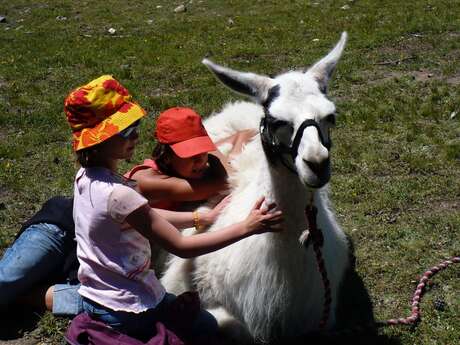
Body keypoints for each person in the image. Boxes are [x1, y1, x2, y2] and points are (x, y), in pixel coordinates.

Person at [64, 75, 282, 341]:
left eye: (135, 126)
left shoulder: (85, 179)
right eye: (125, 131)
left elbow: (140, 216)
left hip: (97, 297)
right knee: (211, 330)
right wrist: (246, 227)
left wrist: (202, 217)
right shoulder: (122, 193)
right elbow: (181, 246)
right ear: (99, 140)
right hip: (132, 307)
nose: (135, 135)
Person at [0, 105, 256, 317]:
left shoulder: (181, 169)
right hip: (63, 228)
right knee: (5, 283)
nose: (200, 161)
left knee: (93, 299)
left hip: (105, 256)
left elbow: (239, 135)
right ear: (167, 154)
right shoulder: (151, 180)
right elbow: (225, 181)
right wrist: (216, 150)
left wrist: (215, 145)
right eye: (191, 154)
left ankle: (27, 295)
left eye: (201, 152)